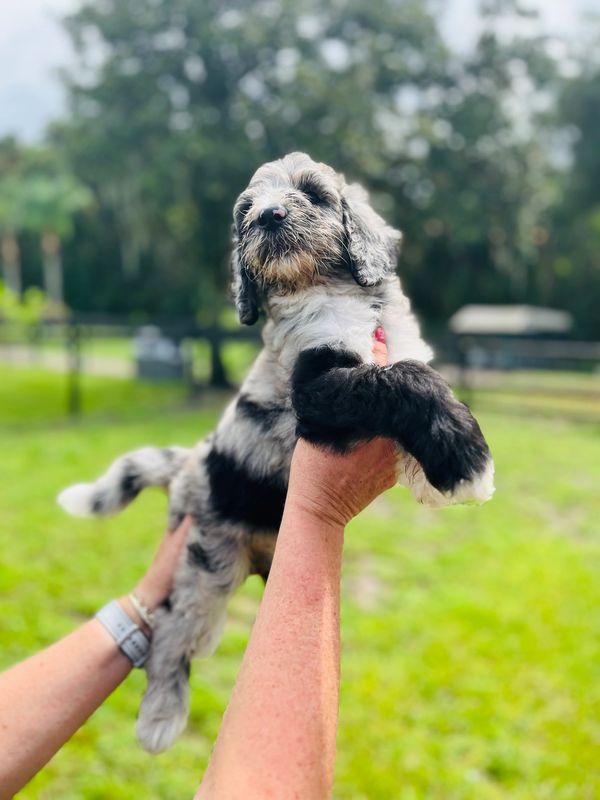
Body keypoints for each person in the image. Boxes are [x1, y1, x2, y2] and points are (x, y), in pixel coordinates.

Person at [0, 330, 396, 799]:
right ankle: (167, 678)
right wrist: (322, 511)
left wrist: (142, 603)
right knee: (197, 609)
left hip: (242, 477)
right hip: (230, 500)